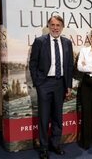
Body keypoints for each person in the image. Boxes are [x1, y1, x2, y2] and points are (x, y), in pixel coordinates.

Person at [29, 15, 74, 159]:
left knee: (57, 116)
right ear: (48, 26)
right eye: (53, 25)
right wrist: (38, 83)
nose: (55, 27)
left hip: (60, 83)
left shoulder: (67, 43)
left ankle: (55, 144)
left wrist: (68, 86)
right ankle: (43, 148)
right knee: (44, 117)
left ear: (62, 27)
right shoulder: (40, 41)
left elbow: (69, 66)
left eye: (58, 25)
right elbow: (33, 63)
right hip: (45, 83)